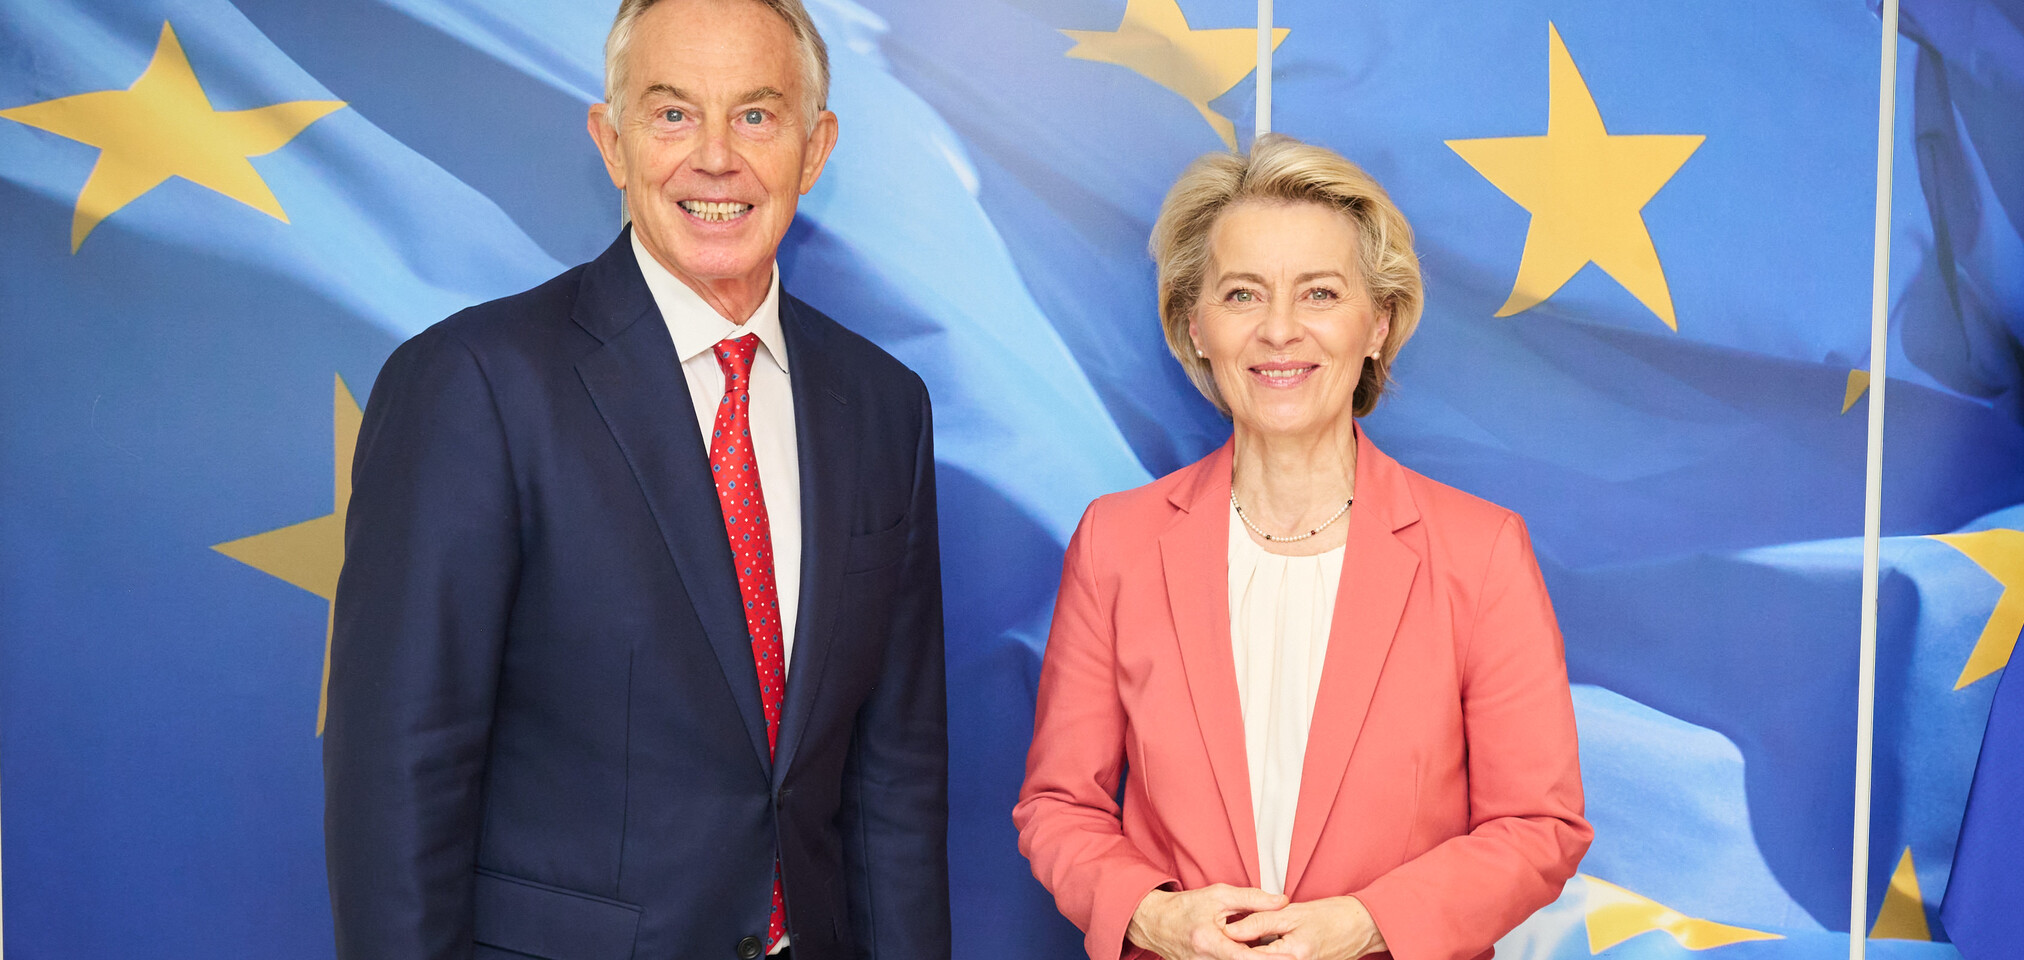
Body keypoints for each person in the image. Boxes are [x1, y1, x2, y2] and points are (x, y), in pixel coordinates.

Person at [323, 1, 947, 957]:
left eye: (755, 115)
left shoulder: (883, 406)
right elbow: (401, 775)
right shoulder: (473, 383)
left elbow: (894, 780)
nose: (715, 158)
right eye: (672, 114)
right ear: (611, 143)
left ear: (814, 149)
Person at [1014, 135, 1590, 960]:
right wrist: (1154, 916)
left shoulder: (1481, 552)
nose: (1279, 330)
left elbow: (1538, 826)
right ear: (1195, 325)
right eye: (1242, 294)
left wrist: (1367, 923)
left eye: (1319, 293)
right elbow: (1059, 806)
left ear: (1378, 323)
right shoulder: (1117, 542)